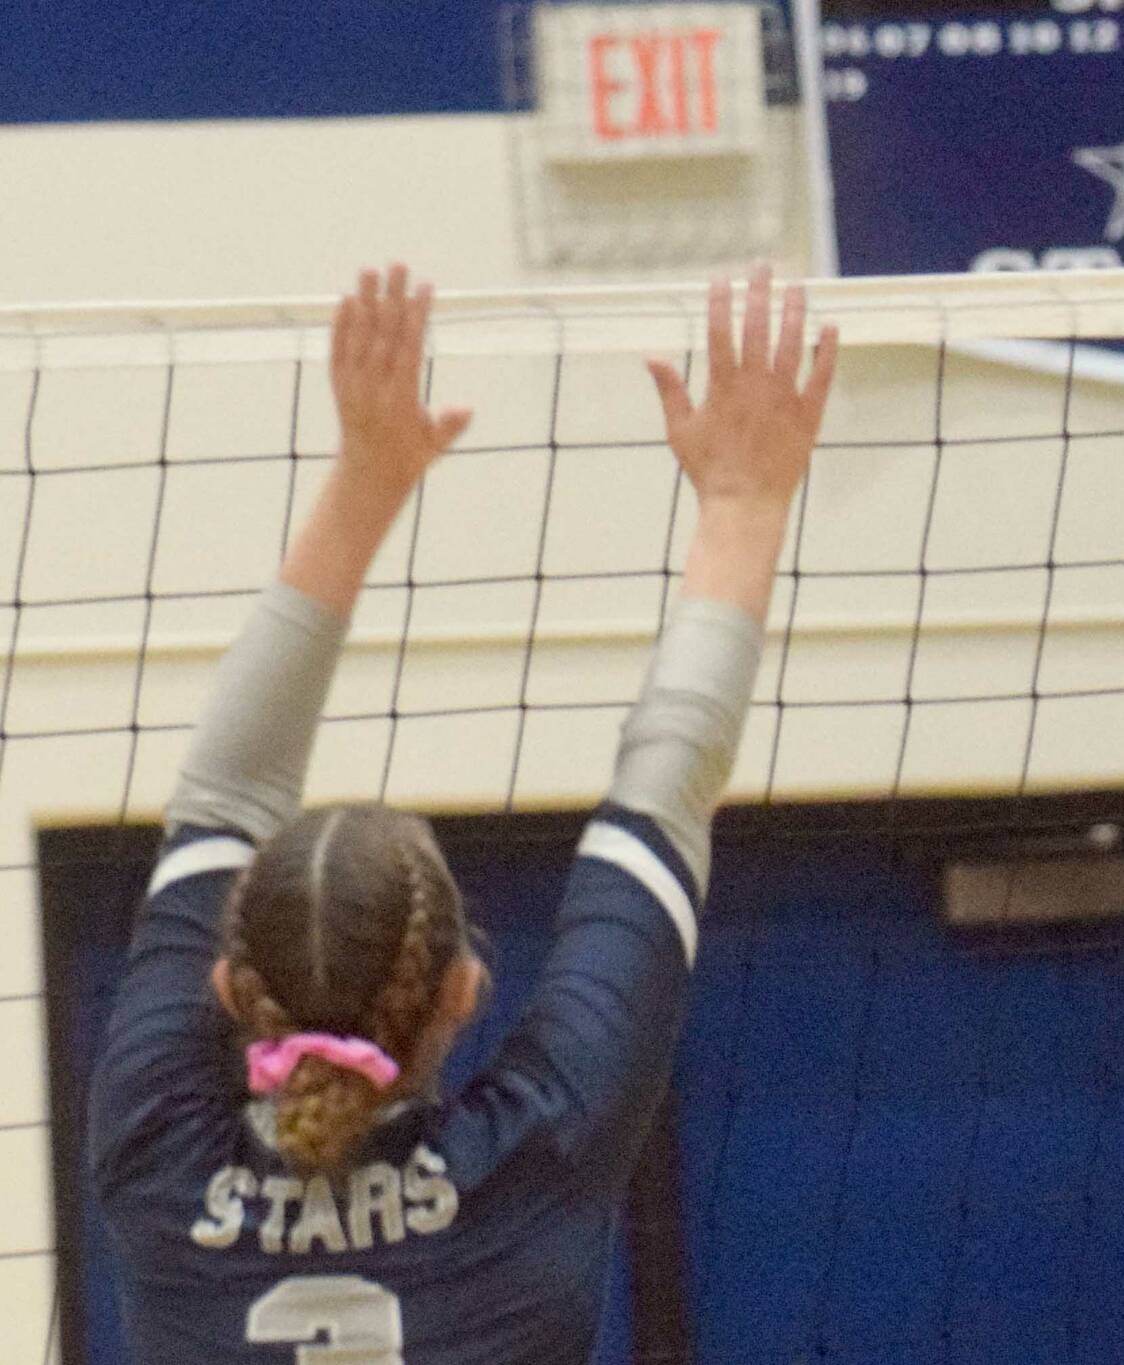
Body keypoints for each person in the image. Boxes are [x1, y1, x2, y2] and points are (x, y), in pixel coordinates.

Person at [87, 263, 836, 1362]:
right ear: (461, 989)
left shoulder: (158, 1156)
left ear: (225, 987)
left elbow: (223, 797)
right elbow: (665, 789)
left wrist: (365, 482)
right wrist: (743, 501)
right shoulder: (532, 1157)